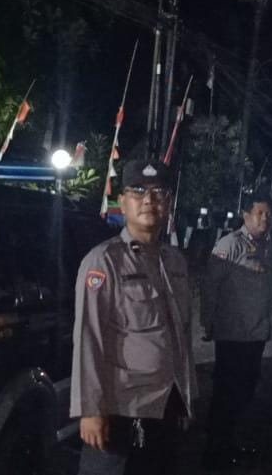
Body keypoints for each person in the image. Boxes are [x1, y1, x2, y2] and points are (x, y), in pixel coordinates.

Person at [71, 159, 196, 475]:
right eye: (138, 190)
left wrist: (186, 396)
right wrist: (90, 410)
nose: (149, 200)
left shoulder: (175, 262)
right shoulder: (104, 261)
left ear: (168, 203)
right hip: (122, 410)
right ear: (122, 202)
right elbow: (89, 338)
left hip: (166, 404)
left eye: (158, 192)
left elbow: (181, 336)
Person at [200, 194, 272, 470]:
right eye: (259, 213)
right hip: (233, 334)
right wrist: (207, 322)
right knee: (226, 395)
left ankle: (230, 443)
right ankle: (214, 452)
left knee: (244, 393)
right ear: (246, 215)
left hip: (255, 333)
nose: (265, 218)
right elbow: (210, 286)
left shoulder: (267, 246)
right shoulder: (230, 244)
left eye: (268, 214)